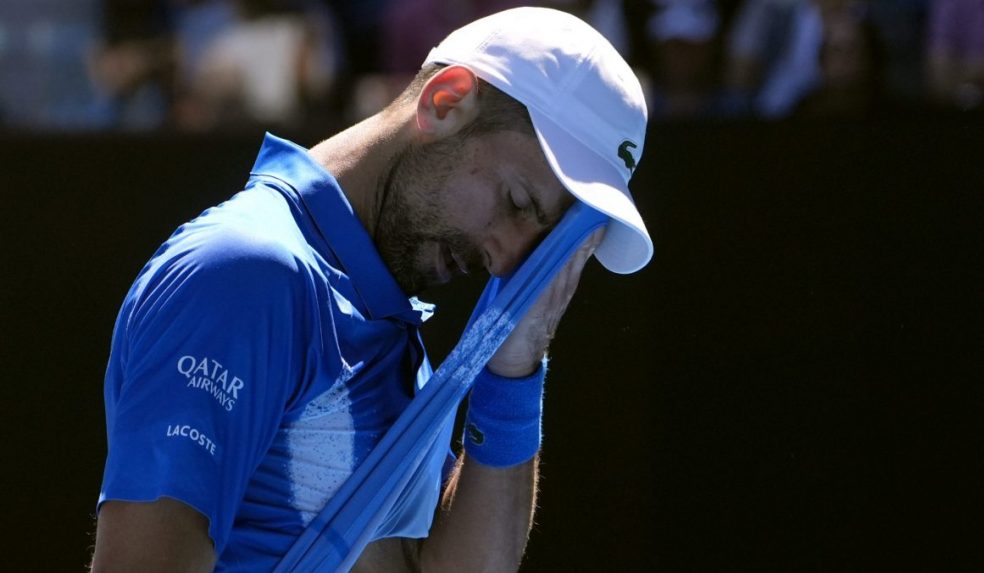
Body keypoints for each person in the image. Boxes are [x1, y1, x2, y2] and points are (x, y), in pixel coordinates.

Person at [90, 7, 652, 572]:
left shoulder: (382, 319)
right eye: (518, 203)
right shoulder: (243, 274)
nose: (506, 258)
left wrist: (515, 371)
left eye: (541, 239)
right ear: (447, 100)